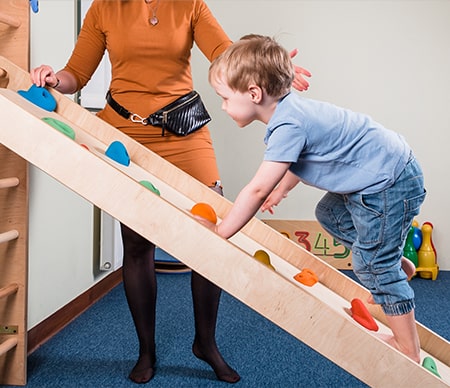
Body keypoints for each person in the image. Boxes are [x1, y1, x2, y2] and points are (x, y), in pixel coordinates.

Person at [30, 2, 311, 384]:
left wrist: (273, 74)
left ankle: (206, 344)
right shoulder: (104, 8)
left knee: (211, 239)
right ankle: (146, 350)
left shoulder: (190, 5)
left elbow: (226, 55)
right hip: (122, 134)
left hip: (185, 131)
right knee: (137, 243)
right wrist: (51, 79)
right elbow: (75, 74)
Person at [204, 34, 426, 364]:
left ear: (254, 94)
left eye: (224, 97)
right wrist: (284, 188)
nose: (222, 106)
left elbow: (256, 189)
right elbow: (302, 158)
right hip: (382, 174)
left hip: (387, 181)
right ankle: (392, 264)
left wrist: (221, 233)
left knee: (371, 263)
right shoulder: (292, 111)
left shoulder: (287, 124)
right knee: (330, 215)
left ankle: (408, 349)